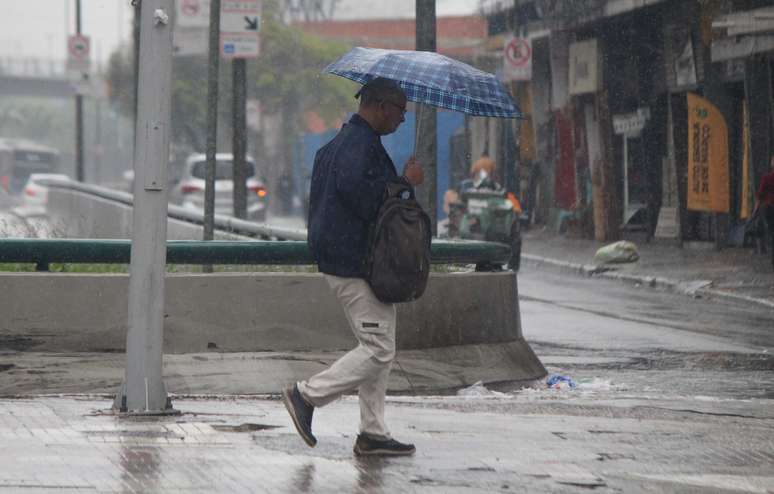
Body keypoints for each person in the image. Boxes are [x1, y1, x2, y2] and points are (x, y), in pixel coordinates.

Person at [281, 77, 424, 456]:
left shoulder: (340, 144)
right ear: (380, 106)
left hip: (350, 261)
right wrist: (404, 184)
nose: (402, 120)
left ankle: (373, 432)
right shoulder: (358, 149)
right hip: (353, 263)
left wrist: (397, 183)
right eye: (400, 111)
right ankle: (306, 396)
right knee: (378, 349)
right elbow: (369, 203)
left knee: (380, 345)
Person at [755, 155, 774, 268]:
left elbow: (760, 195)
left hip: (769, 208)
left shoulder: (766, 178)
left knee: (772, 233)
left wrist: (756, 209)